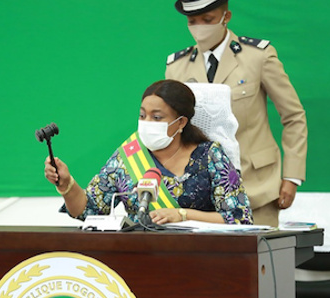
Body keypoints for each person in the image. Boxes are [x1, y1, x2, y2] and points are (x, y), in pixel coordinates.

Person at [165, 0, 308, 227]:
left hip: (257, 188)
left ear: (226, 17)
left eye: (207, 20)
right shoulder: (176, 68)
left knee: (259, 263)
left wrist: (292, 176)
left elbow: (294, 117)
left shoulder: (258, 57)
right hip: (200, 196)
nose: (199, 27)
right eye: (192, 21)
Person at [44, 79, 253, 225]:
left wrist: (182, 215)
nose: (146, 123)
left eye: (157, 117)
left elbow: (238, 218)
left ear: (180, 123)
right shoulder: (127, 157)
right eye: (142, 115)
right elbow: (88, 210)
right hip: (141, 258)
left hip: (203, 259)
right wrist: (67, 185)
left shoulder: (210, 156)